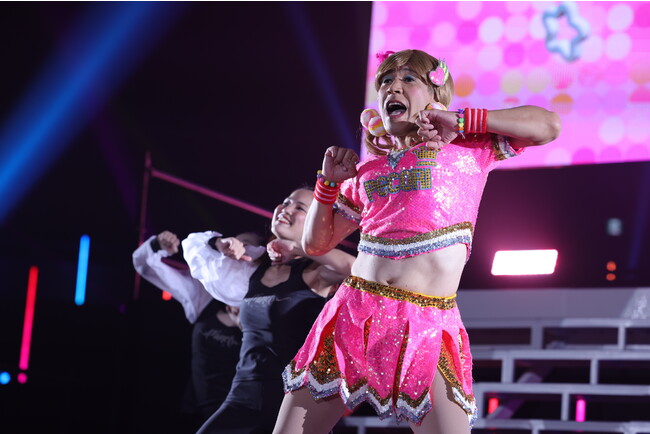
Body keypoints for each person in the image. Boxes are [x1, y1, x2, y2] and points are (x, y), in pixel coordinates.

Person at [274, 49, 562, 434]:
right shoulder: (365, 172)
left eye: (408, 79)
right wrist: (328, 184)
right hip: (354, 314)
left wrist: (462, 121)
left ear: (435, 95)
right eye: (385, 81)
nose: (392, 87)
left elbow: (548, 125)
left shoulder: (469, 148)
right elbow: (316, 245)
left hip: (428, 324)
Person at [183, 188, 356, 434]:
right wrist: (219, 243)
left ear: (316, 222)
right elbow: (194, 247)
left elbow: (359, 269)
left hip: (293, 401)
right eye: (286, 202)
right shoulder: (254, 266)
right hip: (242, 397)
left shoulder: (318, 272)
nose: (287, 209)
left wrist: (299, 248)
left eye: (299, 208)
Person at [132, 230, 263, 425]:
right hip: (198, 414)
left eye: (247, 246)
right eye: (237, 242)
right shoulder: (204, 294)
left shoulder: (264, 307)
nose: (238, 249)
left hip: (245, 417)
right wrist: (157, 245)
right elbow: (144, 265)